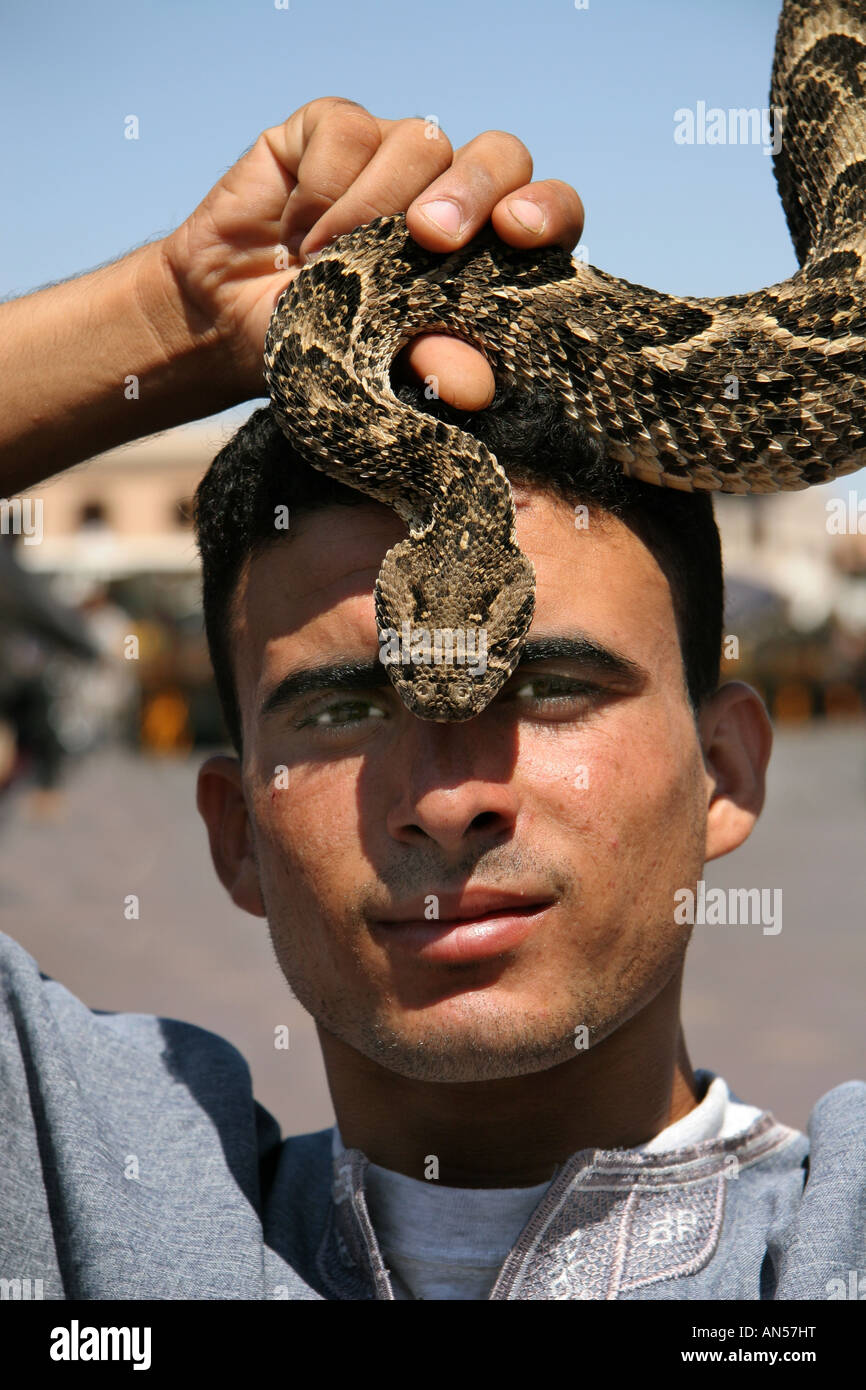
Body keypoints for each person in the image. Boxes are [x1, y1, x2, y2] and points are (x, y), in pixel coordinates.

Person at [0, 100, 862, 1302]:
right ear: (233, 827)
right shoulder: (85, 1186)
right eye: (351, 707)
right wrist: (178, 319)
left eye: (550, 687)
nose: (450, 797)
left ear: (724, 767)